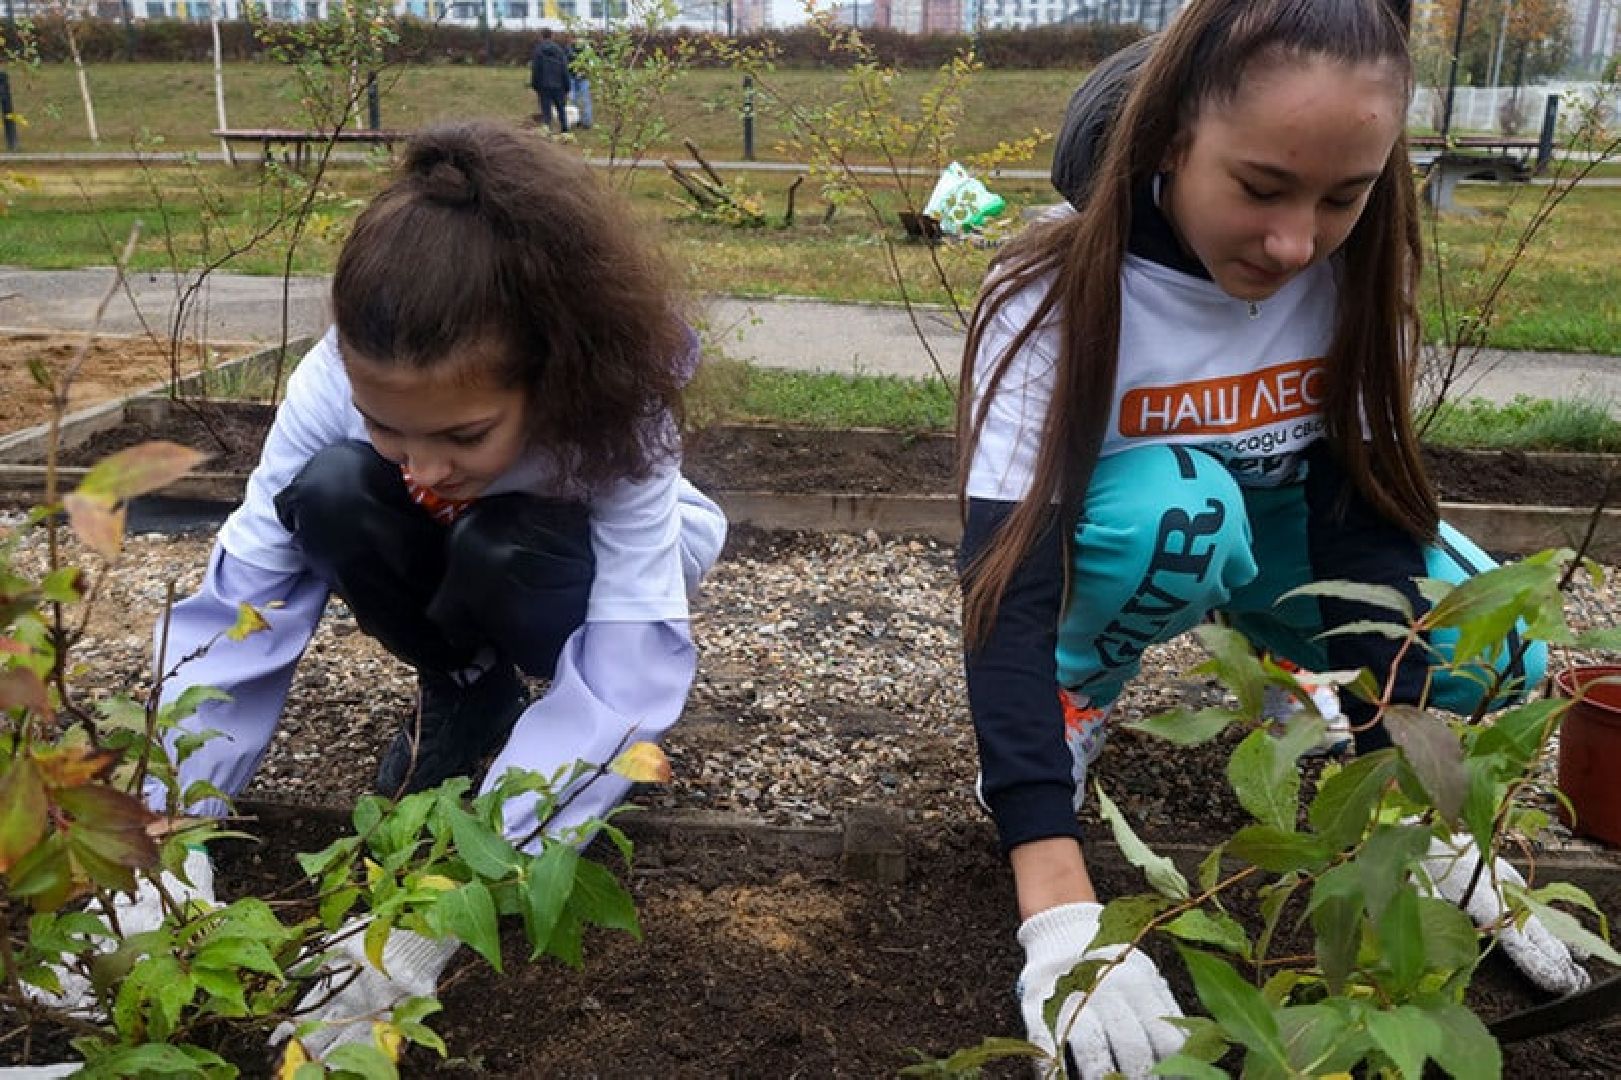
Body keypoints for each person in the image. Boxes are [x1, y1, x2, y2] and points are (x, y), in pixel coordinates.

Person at [957, 3, 1588, 1077]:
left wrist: (1413, 804)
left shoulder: (1353, 280)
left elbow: (1368, 534)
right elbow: (1002, 585)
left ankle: (1299, 682)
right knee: (1179, 509)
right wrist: (1053, 897)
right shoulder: (1051, 296)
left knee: (1503, 649)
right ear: (1169, 140)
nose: (1294, 243)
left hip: (1283, 553)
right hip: (1135, 547)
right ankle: (1078, 696)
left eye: (1342, 197)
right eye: (1258, 188)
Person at [53, 120, 725, 1057]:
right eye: (389, 429)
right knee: (324, 492)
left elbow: (626, 665)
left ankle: (512, 693)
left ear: (551, 372)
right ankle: (465, 686)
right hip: (470, 548)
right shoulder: (334, 380)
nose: (421, 467)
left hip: (560, 566)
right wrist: (160, 825)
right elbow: (245, 598)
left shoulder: (617, 405)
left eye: (464, 435)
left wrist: (438, 903)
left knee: (504, 551)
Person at [530, 27, 571, 133]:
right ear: (552, 36)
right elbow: (564, 69)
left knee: (546, 110)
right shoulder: (559, 50)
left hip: (544, 85)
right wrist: (567, 86)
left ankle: (547, 129)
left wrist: (535, 85)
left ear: (541, 37)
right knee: (561, 109)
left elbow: (536, 70)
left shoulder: (538, 50)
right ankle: (564, 130)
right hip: (559, 85)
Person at [567, 35, 594, 131]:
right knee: (573, 99)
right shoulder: (569, 49)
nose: (577, 40)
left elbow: (592, 64)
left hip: (583, 78)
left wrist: (585, 72)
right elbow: (566, 62)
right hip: (571, 78)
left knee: (585, 100)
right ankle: (575, 120)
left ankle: (587, 122)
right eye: (574, 38)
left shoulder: (587, 50)